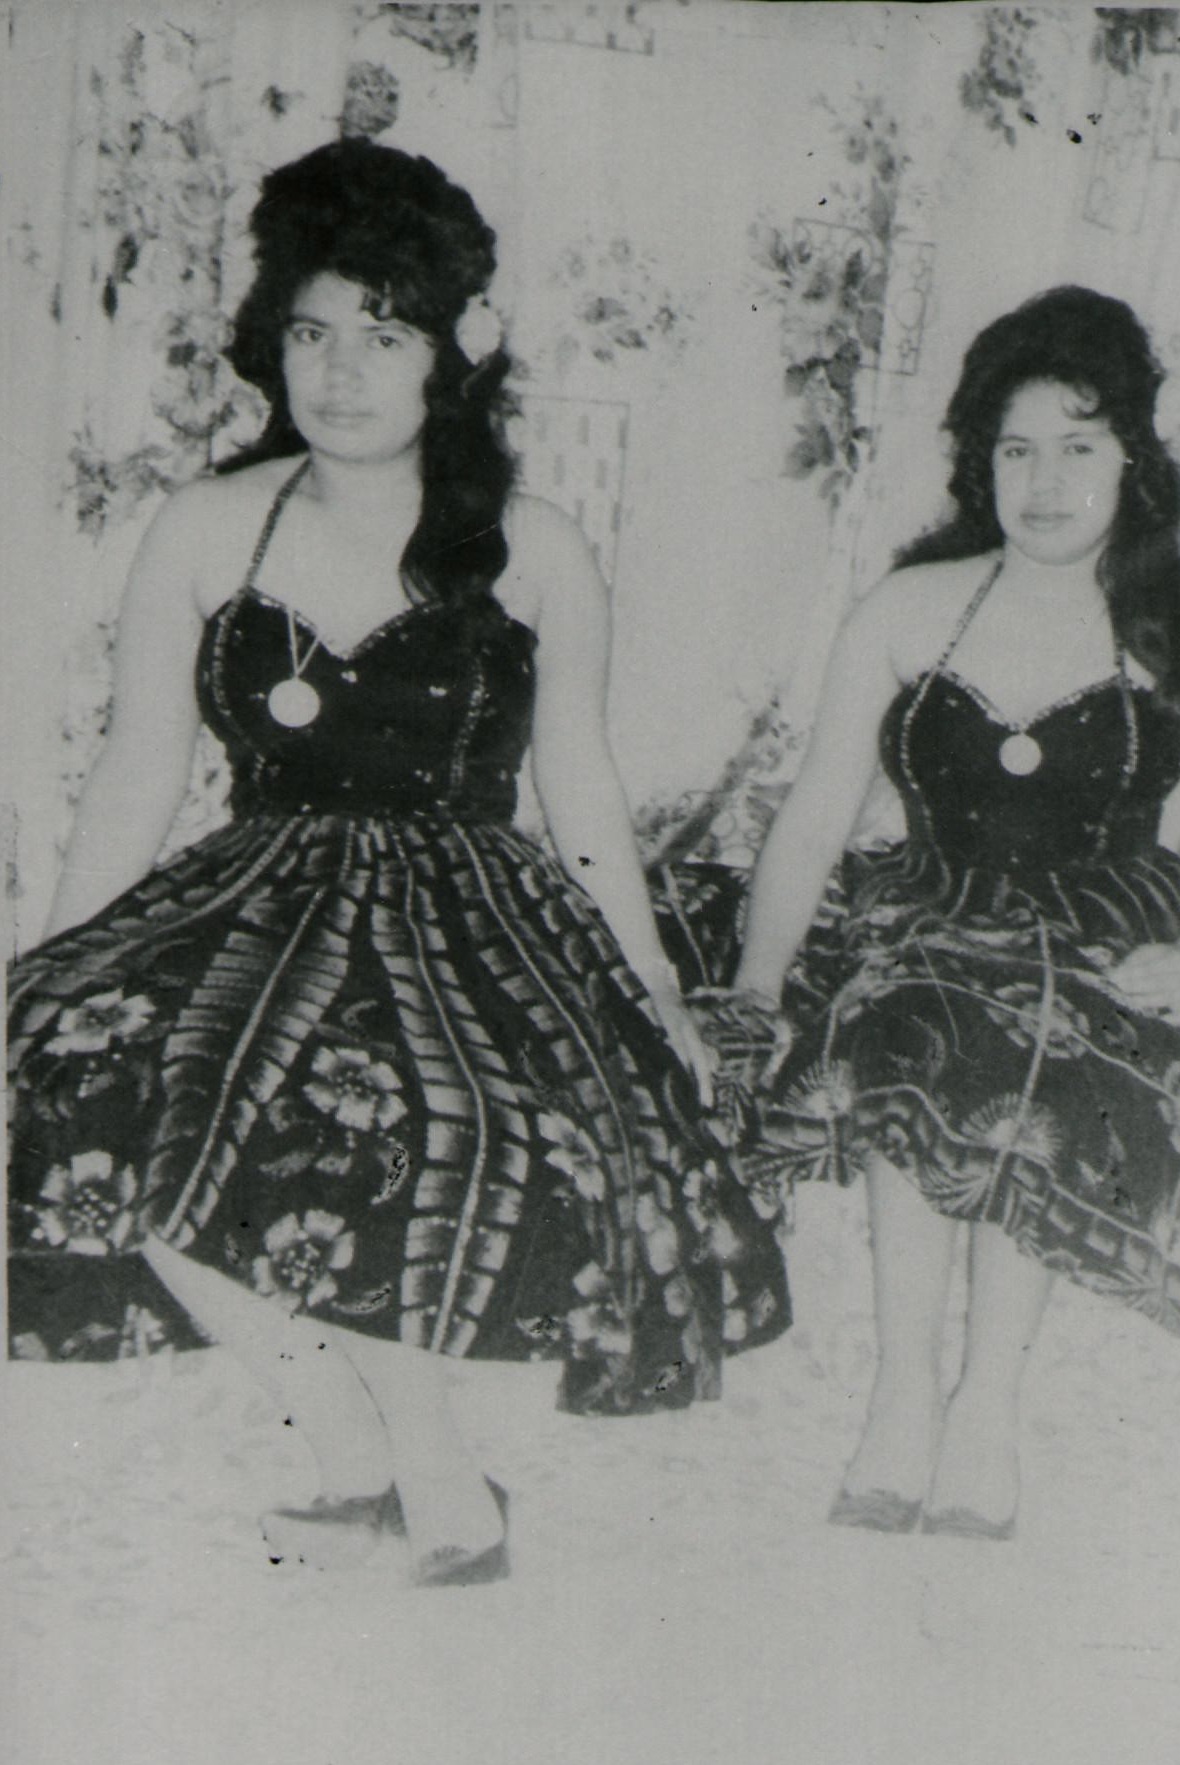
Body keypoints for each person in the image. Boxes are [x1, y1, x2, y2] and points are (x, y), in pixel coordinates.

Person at [7, 138, 789, 1586]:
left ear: (454, 353)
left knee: (383, 1136)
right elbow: (135, 772)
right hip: (258, 903)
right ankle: (368, 1465)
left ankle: (433, 1490)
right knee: (79, 1103)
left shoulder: (533, 546)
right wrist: (44, 974)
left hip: (469, 929)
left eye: (384, 334)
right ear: (273, 346)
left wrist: (657, 990)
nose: (342, 371)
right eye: (313, 333)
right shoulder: (203, 526)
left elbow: (582, 790)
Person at [730, 285, 1180, 1541]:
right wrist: (754, 991)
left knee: (1042, 1058)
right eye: (1015, 449)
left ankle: (985, 1404)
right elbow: (809, 822)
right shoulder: (911, 609)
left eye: (1080, 445)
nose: (1046, 481)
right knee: (916, 1018)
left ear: (1133, 455)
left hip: (1107, 943)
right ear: (981, 465)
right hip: (928, 918)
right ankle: (903, 1388)